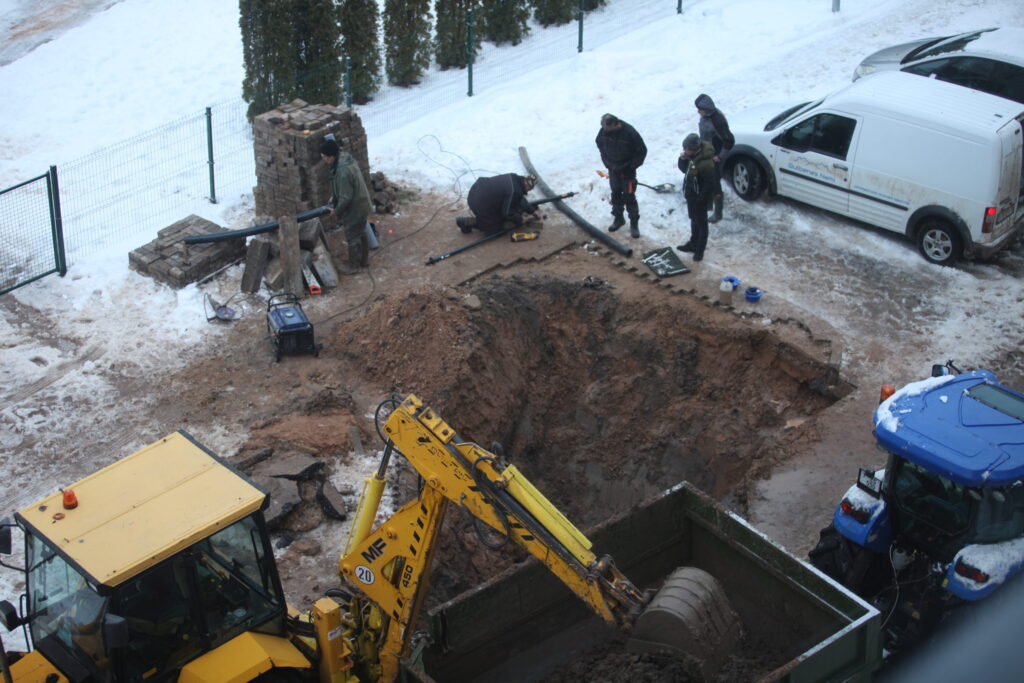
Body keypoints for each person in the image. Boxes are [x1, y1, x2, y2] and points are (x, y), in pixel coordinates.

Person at [320, 137, 373, 271]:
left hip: (355, 207)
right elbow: (345, 188)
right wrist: (335, 196)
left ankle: (353, 265)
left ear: (331, 157)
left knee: (352, 236)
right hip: (361, 202)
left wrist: (336, 211)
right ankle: (364, 260)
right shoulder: (344, 158)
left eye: (324, 157)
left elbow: (346, 197)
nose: (323, 160)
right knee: (361, 232)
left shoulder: (342, 171)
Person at [595, 113, 647, 238]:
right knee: (615, 194)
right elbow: (599, 143)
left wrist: (631, 166)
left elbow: (642, 151)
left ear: (615, 125)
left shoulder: (629, 132)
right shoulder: (604, 131)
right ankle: (618, 219)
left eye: (607, 128)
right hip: (613, 169)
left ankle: (634, 223)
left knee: (629, 196)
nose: (604, 131)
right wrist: (607, 162)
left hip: (627, 171)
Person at [694, 94, 734, 223]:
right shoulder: (706, 117)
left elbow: (729, 141)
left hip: (714, 157)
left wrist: (719, 157)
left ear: (706, 109)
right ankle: (708, 205)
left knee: (715, 183)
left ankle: (718, 213)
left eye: (700, 109)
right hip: (705, 153)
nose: (698, 111)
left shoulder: (717, 121)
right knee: (705, 179)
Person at [457, 173, 539, 236]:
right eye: (527, 185)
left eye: (530, 187)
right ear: (525, 180)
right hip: (480, 202)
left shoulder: (515, 178)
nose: (527, 188)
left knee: (512, 207)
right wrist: (521, 219)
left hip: (477, 191)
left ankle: (487, 219)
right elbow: (507, 213)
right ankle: (466, 222)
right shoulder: (515, 190)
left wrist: (532, 210)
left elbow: (519, 199)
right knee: (495, 229)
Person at [677, 133, 716, 262]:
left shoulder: (705, 163)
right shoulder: (692, 157)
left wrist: (701, 200)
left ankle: (699, 250)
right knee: (694, 220)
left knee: (701, 224)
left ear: (694, 149)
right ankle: (693, 243)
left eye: (686, 149)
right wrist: (682, 159)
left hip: (700, 199)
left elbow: (709, 185)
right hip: (692, 196)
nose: (684, 151)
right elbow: (685, 170)